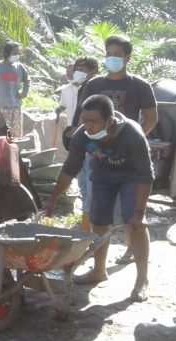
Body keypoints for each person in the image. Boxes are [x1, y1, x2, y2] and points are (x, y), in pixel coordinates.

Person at [44, 94, 153, 302]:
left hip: (132, 177)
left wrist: (139, 212)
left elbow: (145, 175)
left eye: (93, 121)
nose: (88, 126)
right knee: (98, 220)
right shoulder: (82, 135)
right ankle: (99, 271)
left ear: (110, 121)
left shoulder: (132, 134)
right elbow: (69, 169)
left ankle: (142, 280)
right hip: (103, 175)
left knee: (137, 224)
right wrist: (53, 200)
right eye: (85, 121)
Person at [71, 37, 158, 262]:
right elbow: (79, 121)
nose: (111, 58)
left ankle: (131, 249)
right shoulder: (94, 85)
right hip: (96, 154)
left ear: (127, 57)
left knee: (131, 207)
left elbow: (151, 119)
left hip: (128, 158)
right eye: (108, 53)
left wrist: (134, 144)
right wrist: (86, 144)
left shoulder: (139, 85)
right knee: (93, 202)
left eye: (116, 54)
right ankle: (93, 252)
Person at [60, 57, 100, 232]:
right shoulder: (77, 88)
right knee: (83, 184)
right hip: (79, 140)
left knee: (91, 185)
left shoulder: (97, 88)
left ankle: (88, 228)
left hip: (91, 142)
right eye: (76, 68)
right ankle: (87, 225)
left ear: (93, 71)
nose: (78, 71)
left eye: (82, 68)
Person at [0, 41, 30, 137]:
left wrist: (24, 92)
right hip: (1, 108)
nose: (17, 55)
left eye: (18, 53)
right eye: (14, 53)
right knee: (3, 135)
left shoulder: (20, 67)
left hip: (16, 107)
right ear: (7, 53)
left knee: (16, 135)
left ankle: (16, 151)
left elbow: (27, 80)